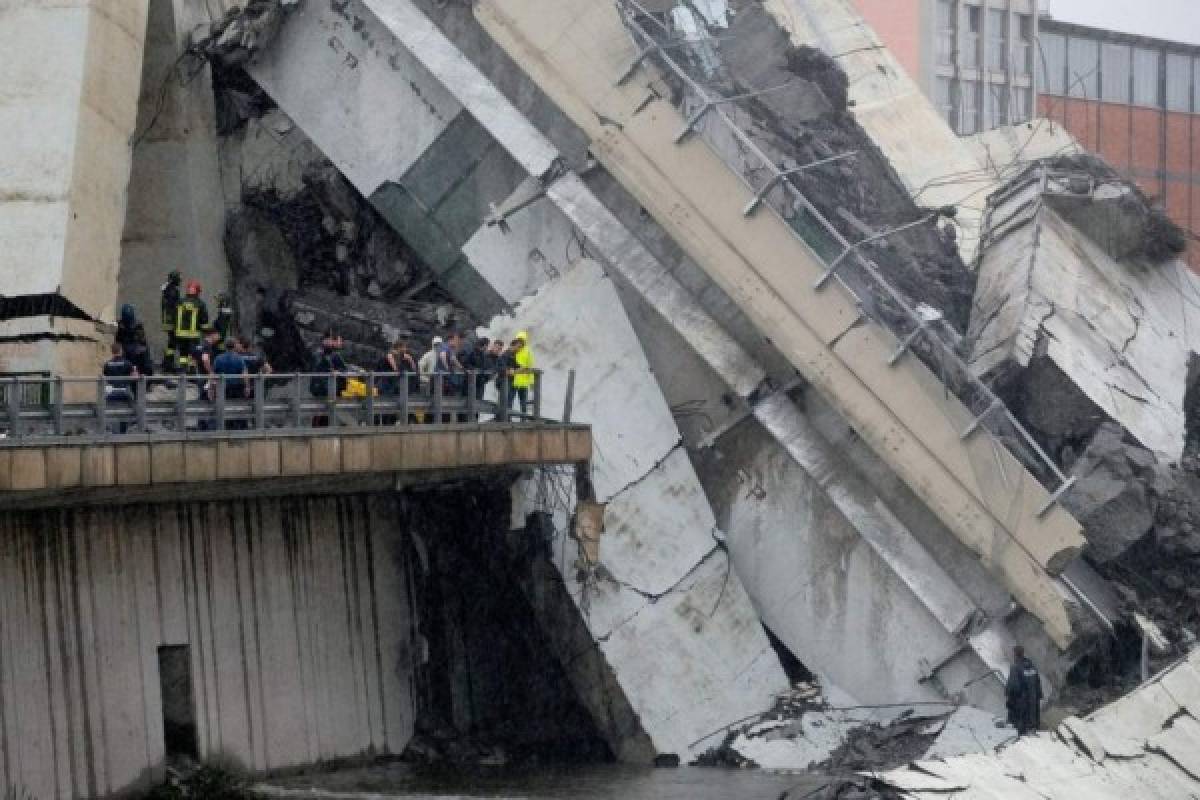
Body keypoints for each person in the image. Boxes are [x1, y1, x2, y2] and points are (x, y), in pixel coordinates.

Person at [174, 280, 211, 373]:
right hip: (193, 335)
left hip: (180, 334)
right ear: (198, 292)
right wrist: (207, 333)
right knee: (193, 355)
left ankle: (182, 371)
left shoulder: (180, 302)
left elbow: (174, 316)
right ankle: (191, 372)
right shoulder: (200, 303)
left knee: (183, 354)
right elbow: (204, 321)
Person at [212, 339, 249, 430]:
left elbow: (213, 374)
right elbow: (244, 374)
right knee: (239, 407)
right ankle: (240, 427)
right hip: (237, 387)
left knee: (224, 407)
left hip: (223, 387)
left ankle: (226, 426)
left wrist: (212, 388)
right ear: (234, 346)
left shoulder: (218, 358)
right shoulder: (239, 358)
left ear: (225, 346)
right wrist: (247, 387)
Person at [1006, 646, 1043, 735]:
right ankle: (1032, 730)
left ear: (1015, 654)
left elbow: (1014, 687)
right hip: (1033, 701)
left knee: (1020, 724)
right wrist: (1038, 696)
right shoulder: (1032, 666)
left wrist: (1009, 700)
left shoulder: (1015, 668)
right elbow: (1038, 682)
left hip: (1022, 702)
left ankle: (1022, 737)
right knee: (1031, 722)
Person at [102, 342, 138, 433]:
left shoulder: (107, 364)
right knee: (133, 403)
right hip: (124, 392)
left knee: (111, 412)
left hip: (110, 393)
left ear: (112, 351)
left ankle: (110, 429)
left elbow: (105, 377)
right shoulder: (127, 363)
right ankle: (135, 418)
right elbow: (135, 377)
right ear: (121, 351)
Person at [509, 330, 535, 416]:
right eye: (519, 340)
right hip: (513, 380)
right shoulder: (513, 350)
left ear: (525, 341)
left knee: (523, 403)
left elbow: (530, 367)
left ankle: (523, 419)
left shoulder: (528, 352)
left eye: (522, 340)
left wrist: (531, 382)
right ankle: (508, 418)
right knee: (510, 400)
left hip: (523, 382)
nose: (520, 342)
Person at [160, 271, 182, 372]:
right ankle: (169, 364)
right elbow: (175, 306)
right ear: (174, 279)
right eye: (178, 278)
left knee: (171, 343)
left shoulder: (168, 289)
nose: (180, 280)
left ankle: (167, 362)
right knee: (173, 343)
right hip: (172, 321)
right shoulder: (173, 291)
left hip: (168, 321)